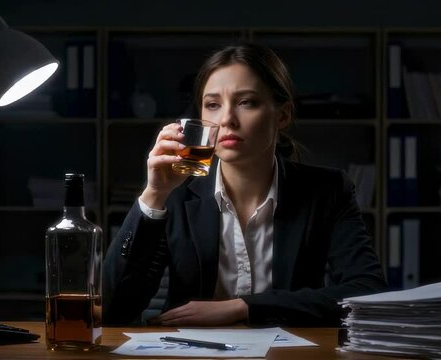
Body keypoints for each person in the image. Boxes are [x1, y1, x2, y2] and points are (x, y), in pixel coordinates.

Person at [103, 42, 386, 327]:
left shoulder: (327, 190)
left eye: (246, 102)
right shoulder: (177, 192)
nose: (227, 119)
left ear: (283, 115)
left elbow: (366, 291)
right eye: (212, 105)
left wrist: (244, 307)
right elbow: (114, 309)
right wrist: (154, 196)